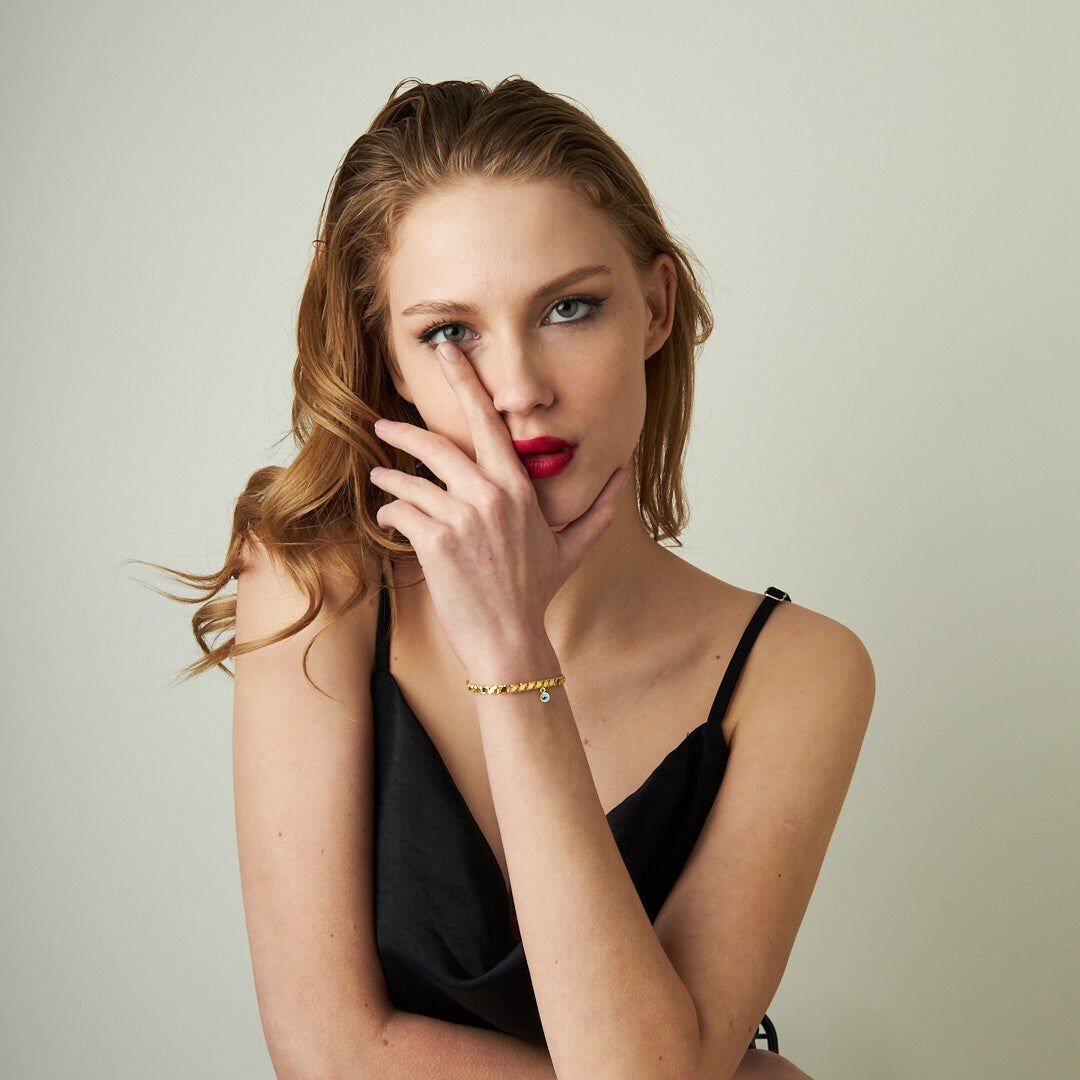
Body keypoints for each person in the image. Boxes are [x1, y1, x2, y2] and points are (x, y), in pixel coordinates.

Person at [144, 76, 874, 1079]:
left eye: (570, 308)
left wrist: (511, 653)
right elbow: (326, 1054)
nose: (521, 389)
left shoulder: (800, 671)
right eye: (450, 333)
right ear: (391, 362)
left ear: (656, 309)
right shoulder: (317, 583)